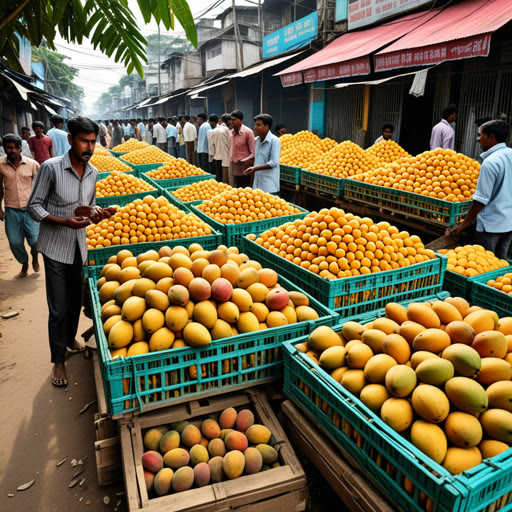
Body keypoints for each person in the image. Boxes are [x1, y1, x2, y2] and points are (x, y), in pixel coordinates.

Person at [27, 116, 114, 387]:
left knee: (75, 301)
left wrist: (97, 215)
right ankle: (58, 362)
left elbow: (87, 208)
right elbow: (34, 206)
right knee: (58, 307)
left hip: (79, 246)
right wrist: (63, 221)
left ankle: (68, 339)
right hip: (54, 249)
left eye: (93, 142)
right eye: (84, 141)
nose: (89, 147)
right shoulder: (51, 168)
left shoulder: (93, 172)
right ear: (70, 139)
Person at [446, 120, 512, 259]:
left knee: (485, 263)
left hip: (491, 225)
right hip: (509, 223)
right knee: (501, 265)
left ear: (491, 137)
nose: (478, 139)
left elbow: (480, 200)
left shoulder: (490, 163)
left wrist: (464, 224)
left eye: (480, 135)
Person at [0, 134, 40, 277]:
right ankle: (24, 262)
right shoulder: (1, 165)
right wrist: (0, 207)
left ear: (19, 148)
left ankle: (35, 256)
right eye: (6, 148)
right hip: (11, 209)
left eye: (12, 148)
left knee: (35, 240)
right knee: (15, 242)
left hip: (31, 209)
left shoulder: (32, 165)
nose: (9, 150)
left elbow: (40, 188)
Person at [243, 114, 281, 195]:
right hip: (256, 185)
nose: (255, 128)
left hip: (269, 186)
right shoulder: (255, 141)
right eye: (255, 125)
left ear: (266, 126)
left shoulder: (275, 141)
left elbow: (274, 163)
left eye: (258, 125)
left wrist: (255, 168)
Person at [230, 110, 255, 188]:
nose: (232, 122)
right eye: (231, 120)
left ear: (241, 120)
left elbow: (253, 152)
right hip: (234, 167)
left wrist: (243, 161)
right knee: (237, 189)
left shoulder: (248, 132)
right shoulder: (231, 133)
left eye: (234, 120)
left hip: (245, 168)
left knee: (245, 189)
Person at [211, 114, 232, 184]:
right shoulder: (227, 130)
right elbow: (230, 143)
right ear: (229, 121)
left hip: (217, 155)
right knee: (225, 177)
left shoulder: (215, 130)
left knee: (218, 175)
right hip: (225, 155)